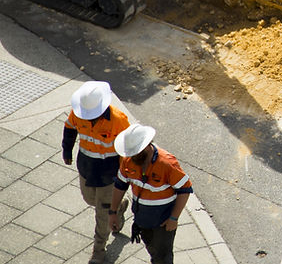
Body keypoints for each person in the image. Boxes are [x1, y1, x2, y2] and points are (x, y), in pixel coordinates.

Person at [62, 81, 131, 264]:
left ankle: (99, 250)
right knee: (90, 199)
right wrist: (67, 149)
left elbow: (127, 149)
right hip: (86, 168)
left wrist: (124, 175)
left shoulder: (118, 120)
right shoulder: (78, 113)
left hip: (109, 174)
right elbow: (70, 127)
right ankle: (119, 207)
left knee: (102, 213)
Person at [110, 123, 193, 264]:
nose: (132, 157)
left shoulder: (167, 163)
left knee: (163, 257)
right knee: (152, 249)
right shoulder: (128, 160)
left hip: (163, 222)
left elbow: (185, 190)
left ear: (147, 145)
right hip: (142, 218)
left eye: (136, 152)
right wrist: (113, 212)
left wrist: (173, 218)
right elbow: (120, 185)